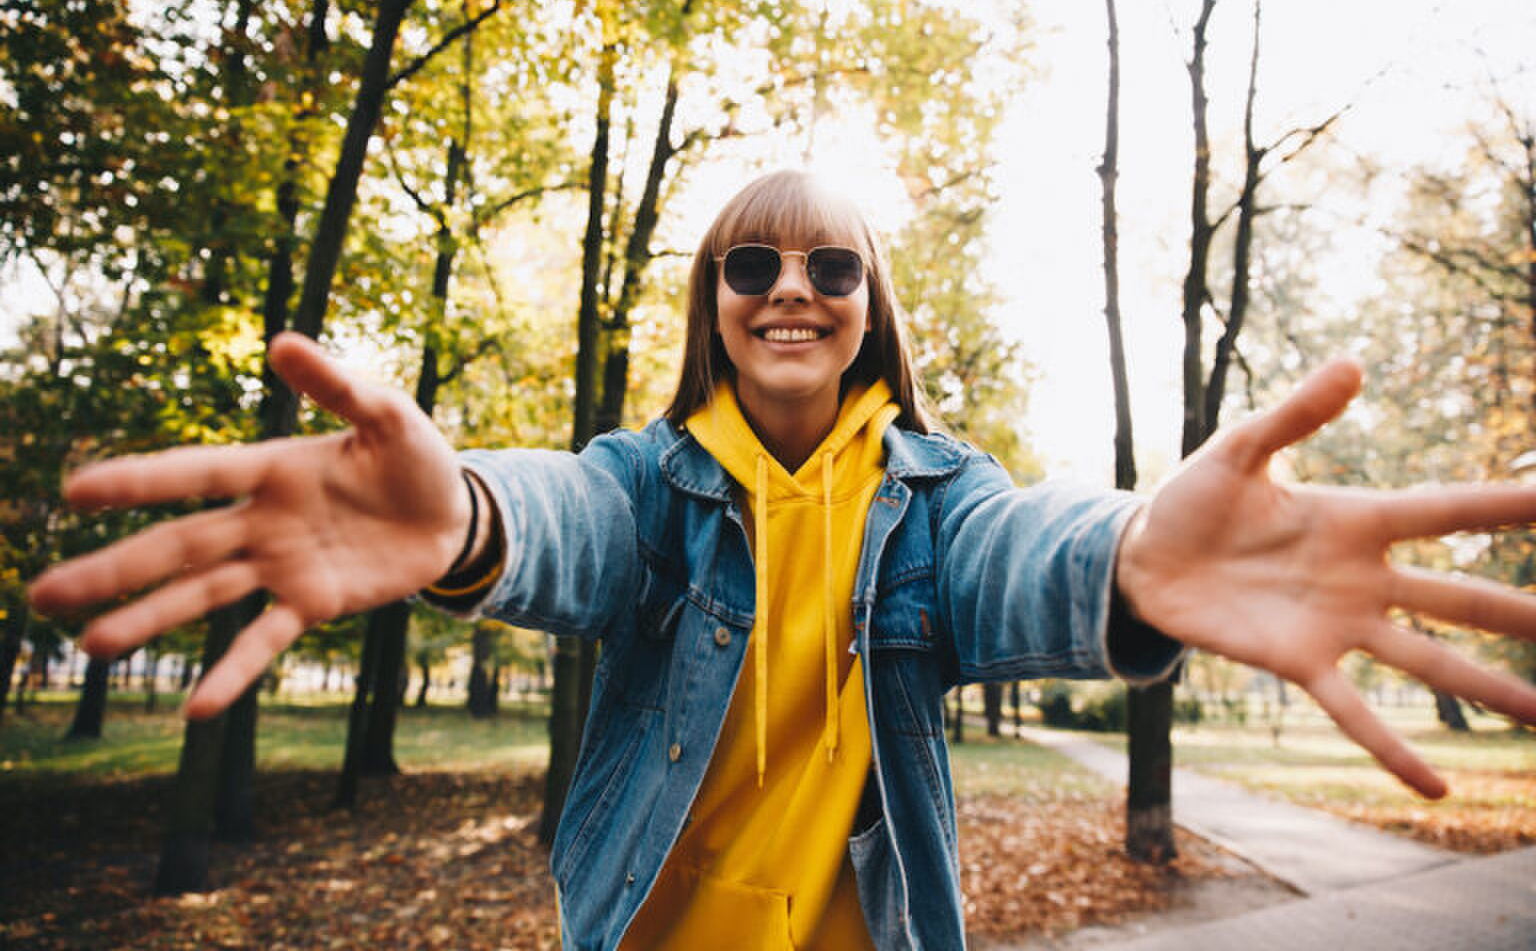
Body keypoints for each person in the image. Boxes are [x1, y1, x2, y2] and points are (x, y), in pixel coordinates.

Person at [28, 170, 1536, 950]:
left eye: (832, 266)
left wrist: (1136, 553)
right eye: (754, 265)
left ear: (873, 306)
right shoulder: (650, 484)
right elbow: (562, 525)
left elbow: (1023, 556)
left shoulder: (942, 502)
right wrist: (466, 525)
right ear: (715, 303)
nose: (792, 290)